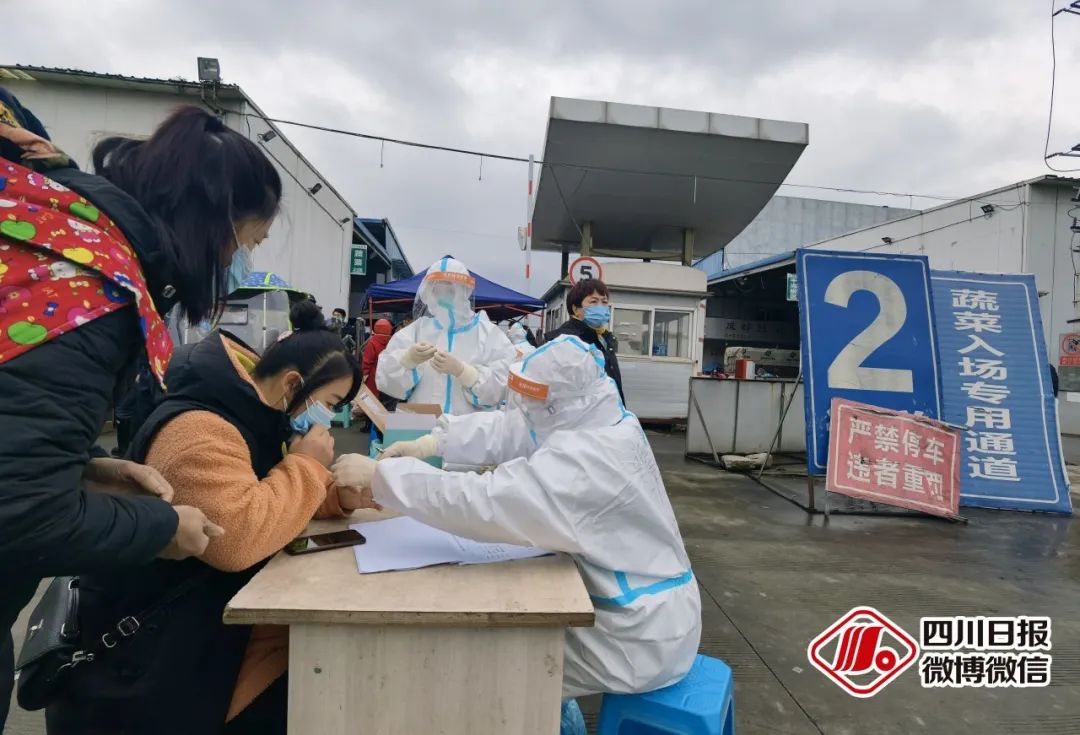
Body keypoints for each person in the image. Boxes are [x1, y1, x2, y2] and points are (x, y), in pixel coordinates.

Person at [0, 104, 282, 726]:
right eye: (247, 243)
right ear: (213, 224)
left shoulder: (51, 247)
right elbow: (20, 512)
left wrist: (83, 469)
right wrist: (161, 528)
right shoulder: (87, 289)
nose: (238, 264)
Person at [46, 302, 365, 735]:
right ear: (294, 383)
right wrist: (308, 467)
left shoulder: (258, 412)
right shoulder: (200, 429)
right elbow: (236, 538)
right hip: (158, 649)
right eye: (330, 404)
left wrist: (333, 495)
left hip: (199, 619)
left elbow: (262, 485)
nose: (330, 418)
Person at [333, 335, 701, 702]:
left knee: (492, 669)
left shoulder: (588, 462)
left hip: (635, 635)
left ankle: (542, 722)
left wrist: (383, 478)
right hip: (643, 609)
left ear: (558, 405)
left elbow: (484, 501)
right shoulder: (599, 418)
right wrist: (432, 443)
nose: (526, 410)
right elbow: (517, 428)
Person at [376, 256, 517, 414]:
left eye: (450, 289)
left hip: (468, 428)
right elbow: (385, 381)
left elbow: (503, 386)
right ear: (428, 292)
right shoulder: (417, 330)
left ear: (464, 291)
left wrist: (465, 373)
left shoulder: (488, 334)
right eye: (437, 290)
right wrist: (407, 359)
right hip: (422, 425)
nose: (443, 296)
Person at [546, 278, 625, 402]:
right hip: (582, 412)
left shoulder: (603, 338)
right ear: (576, 309)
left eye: (604, 302)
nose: (601, 306)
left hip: (608, 410)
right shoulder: (565, 341)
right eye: (594, 301)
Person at [361, 318, 395, 438]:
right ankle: (384, 428)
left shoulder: (372, 342)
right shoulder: (393, 341)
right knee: (385, 404)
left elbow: (367, 361)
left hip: (373, 377)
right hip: (388, 377)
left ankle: (369, 426)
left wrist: (363, 377)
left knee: (371, 402)